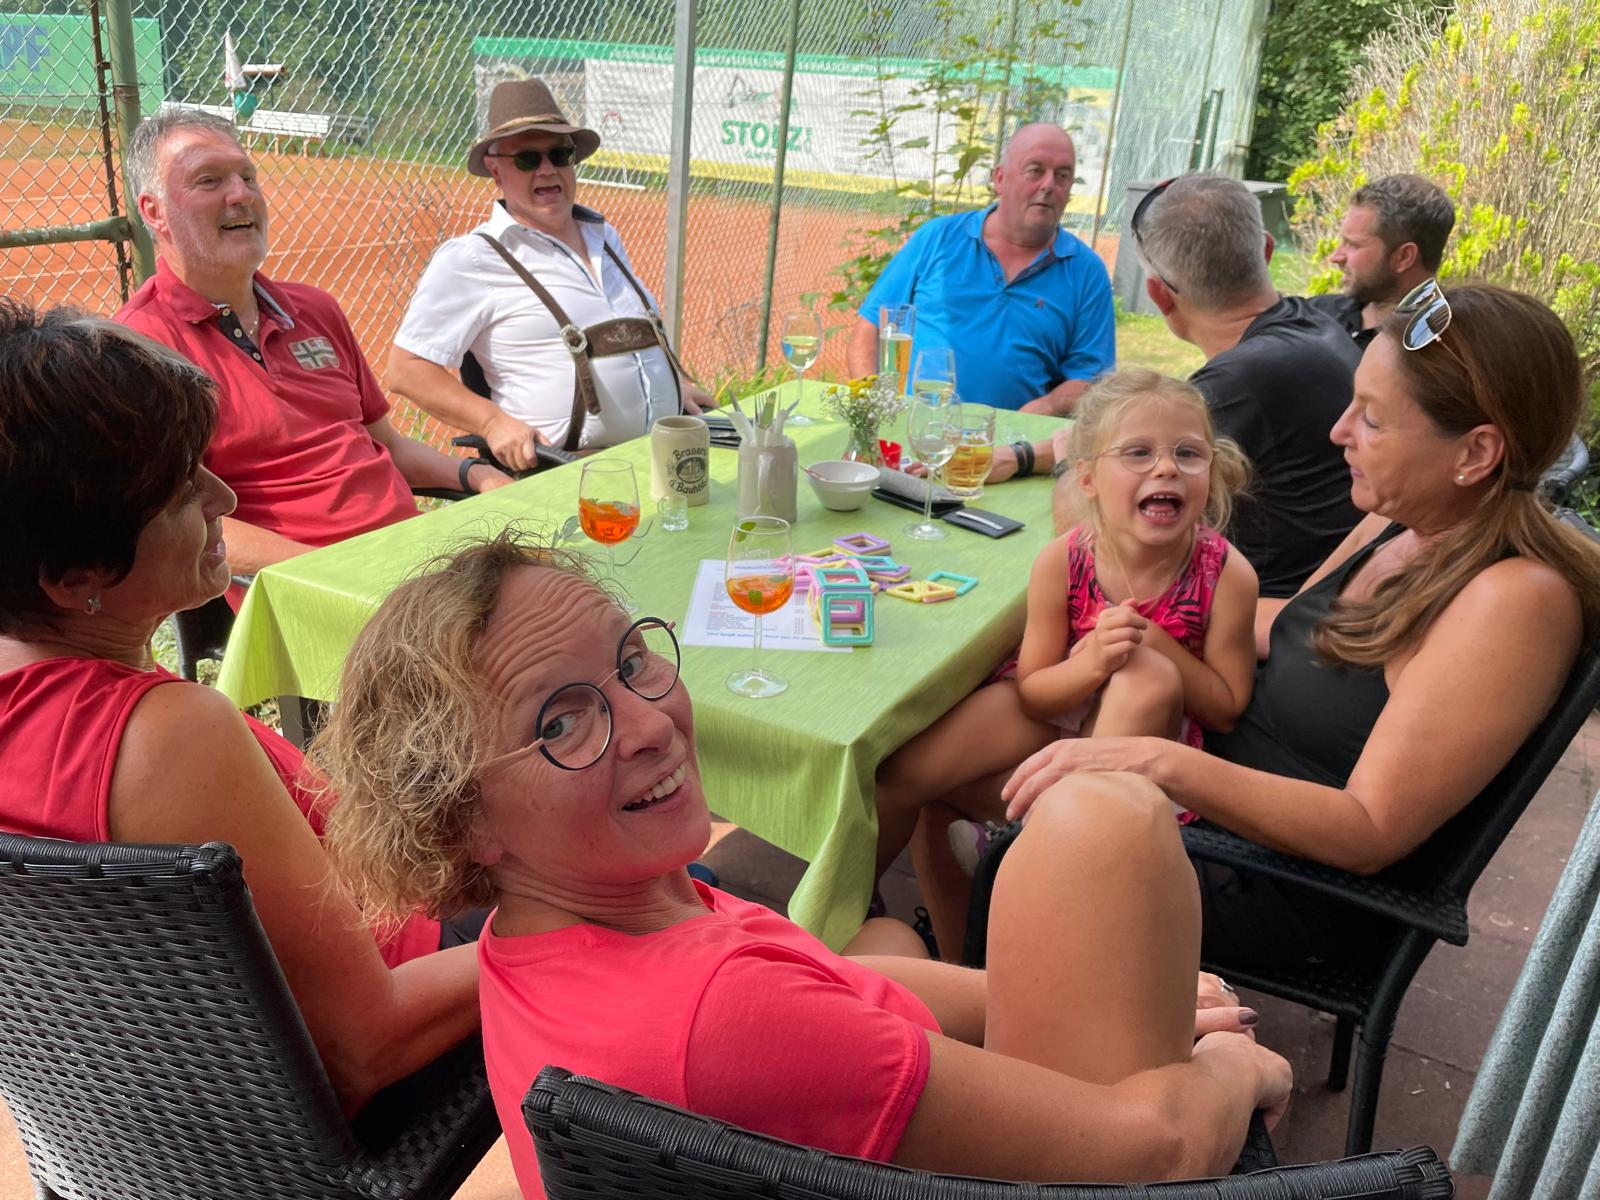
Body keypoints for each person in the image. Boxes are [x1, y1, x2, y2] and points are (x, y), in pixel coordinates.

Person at [311, 531, 1290, 1199]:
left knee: (885, 931)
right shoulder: (724, 1016)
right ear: (465, 821)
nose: (650, 723)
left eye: (632, 661)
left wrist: (1069, 998)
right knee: (1105, 816)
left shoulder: (546, 926)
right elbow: (1153, 1154)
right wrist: (1235, 1069)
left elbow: (830, 981)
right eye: (561, 722)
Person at [1000, 283, 1600, 969]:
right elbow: (1283, 623)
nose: (1339, 431)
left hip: (1276, 877)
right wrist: (1118, 609)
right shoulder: (1402, 523)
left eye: (1372, 420)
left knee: (1030, 849)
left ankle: (1005, 982)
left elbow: (1368, 829)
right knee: (960, 746)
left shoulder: (1514, 601)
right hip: (1212, 794)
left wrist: (1152, 761)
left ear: (1474, 454)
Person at [0, 301, 480, 1113]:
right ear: (73, 578)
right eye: (182, 493)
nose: (224, 497)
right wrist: (582, 921)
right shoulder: (164, 733)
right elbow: (368, 1045)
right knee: (670, 889)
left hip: (168, 1107)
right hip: (358, 1063)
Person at [875, 370, 1259, 955]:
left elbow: (1227, 707)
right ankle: (864, 912)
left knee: (1144, 675)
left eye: (1188, 453)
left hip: (1138, 742)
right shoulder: (1064, 560)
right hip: (1059, 707)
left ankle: (1038, 853)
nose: (1166, 468)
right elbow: (1035, 691)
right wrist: (1091, 663)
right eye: (1138, 453)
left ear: (1212, 470)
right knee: (907, 774)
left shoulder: (1226, 575)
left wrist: (1156, 642)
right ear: (1087, 478)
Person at [116, 108, 511, 584]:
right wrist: (333, 572)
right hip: (312, 590)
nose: (242, 195)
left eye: (247, 177)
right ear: (154, 212)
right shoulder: (141, 350)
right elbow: (179, 523)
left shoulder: (315, 309)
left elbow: (385, 445)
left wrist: (475, 474)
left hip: (414, 564)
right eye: (209, 181)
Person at [389, 79, 710, 471]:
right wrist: (491, 422)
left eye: (559, 155)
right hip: (565, 473)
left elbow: (628, 329)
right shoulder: (474, 258)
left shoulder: (604, 237)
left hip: (662, 455)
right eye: (527, 159)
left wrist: (675, 386)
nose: (547, 169)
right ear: (495, 170)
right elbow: (406, 369)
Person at [1134, 172, 1362, 651]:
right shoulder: (1313, 325)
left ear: (1159, 294)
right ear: (1266, 250)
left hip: (1271, 638)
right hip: (1331, 609)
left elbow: (1110, 517)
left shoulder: (1239, 383)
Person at [845, 124, 1115, 415]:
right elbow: (870, 328)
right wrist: (876, 408)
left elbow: (1090, 378)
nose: (1048, 185)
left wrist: (1043, 408)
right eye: (1035, 171)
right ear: (999, 178)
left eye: (1062, 175)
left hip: (1016, 438)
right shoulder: (937, 239)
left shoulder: (1085, 272)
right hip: (916, 427)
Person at [1307, 173, 1455, 349]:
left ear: (1404, 257)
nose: (1335, 257)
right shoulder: (1314, 315)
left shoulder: (1443, 350)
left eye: (1353, 245)